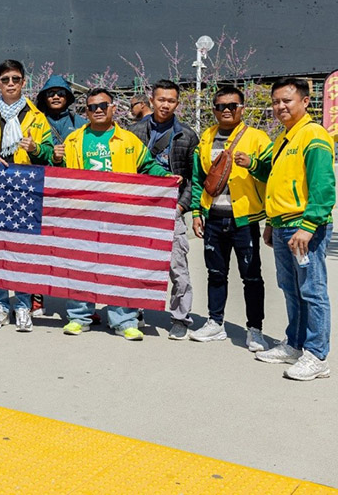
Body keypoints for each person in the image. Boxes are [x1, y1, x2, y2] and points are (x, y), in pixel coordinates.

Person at [56, 89, 173, 341]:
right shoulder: (74, 140)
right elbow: (60, 174)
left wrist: (166, 178)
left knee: (121, 267)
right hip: (83, 216)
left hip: (121, 216)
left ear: (113, 108)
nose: (97, 110)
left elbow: (148, 165)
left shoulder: (129, 140)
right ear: (86, 112)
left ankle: (124, 320)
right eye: (91, 107)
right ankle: (78, 317)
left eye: (103, 105)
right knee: (80, 266)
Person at [255, 78, 335, 380]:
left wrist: (310, 225)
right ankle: (295, 343)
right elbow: (275, 177)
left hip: (303, 227)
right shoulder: (284, 138)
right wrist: (271, 223)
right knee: (291, 290)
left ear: (304, 101)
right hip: (282, 225)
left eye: (287, 100)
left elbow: (323, 186)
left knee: (312, 291)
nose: (280, 107)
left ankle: (317, 355)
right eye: (276, 101)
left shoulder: (313, 135)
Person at [0, 59, 54, 332]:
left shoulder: (37, 118)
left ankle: (23, 305)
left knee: (23, 252)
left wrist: (37, 148)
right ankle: (1, 304)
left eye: (16, 79)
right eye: (6, 80)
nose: (11, 84)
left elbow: (51, 156)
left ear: (24, 82)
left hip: (26, 192)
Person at [189, 86, 271, 352]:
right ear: (213, 109)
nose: (226, 110)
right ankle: (215, 323)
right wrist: (198, 212)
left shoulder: (257, 138)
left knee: (251, 276)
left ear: (242, 108)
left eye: (232, 106)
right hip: (213, 217)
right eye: (220, 106)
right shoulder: (206, 137)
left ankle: (255, 330)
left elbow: (273, 173)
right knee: (215, 273)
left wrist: (254, 164)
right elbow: (199, 178)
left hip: (244, 219)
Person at [129, 80, 198, 340]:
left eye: (171, 100)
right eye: (161, 99)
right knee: (136, 264)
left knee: (178, 267)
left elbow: (193, 177)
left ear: (177, 103)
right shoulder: (134, 131)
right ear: (152, 100)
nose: (165, 104)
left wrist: (182, 205)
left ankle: (181, 317)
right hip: (141, 209)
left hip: (172, 208)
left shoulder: (187, 135)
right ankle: (134, 311)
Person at [32, 74, 86, 318]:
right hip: (42, 192)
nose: (55, 96)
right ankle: (36, 298)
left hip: (74, 195)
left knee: (77, 252)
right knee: (39, 249)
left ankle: (82, 305)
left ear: (68, 97)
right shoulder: (35, 121)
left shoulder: (82, 123)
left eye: (60, 93)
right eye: (51, 93)